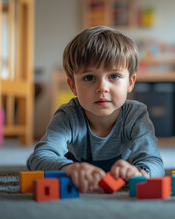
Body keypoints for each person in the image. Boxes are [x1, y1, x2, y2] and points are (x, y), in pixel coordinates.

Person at [27, 26, 164, 193]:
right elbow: (39, 157)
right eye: (89, 77)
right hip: (74, 166)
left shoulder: (135, 115)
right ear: (73, 86)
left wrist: (141, 173)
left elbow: (154, 162)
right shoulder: (67, 115)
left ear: (130, 82)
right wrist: (68, 169)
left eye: (114, 76)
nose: (102, 88)